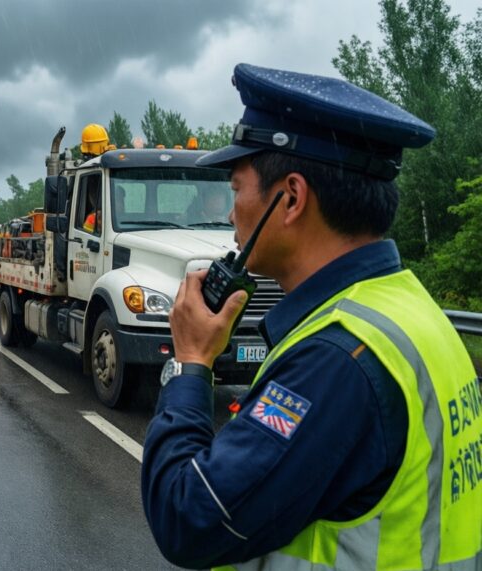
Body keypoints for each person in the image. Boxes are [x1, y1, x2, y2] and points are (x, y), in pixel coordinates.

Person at [141, 63, 481, 570]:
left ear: (292, 198)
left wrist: (190, 364)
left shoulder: (337, 360)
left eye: (236, 191)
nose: (231, 214)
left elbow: (188, 516)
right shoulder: (411, 309)